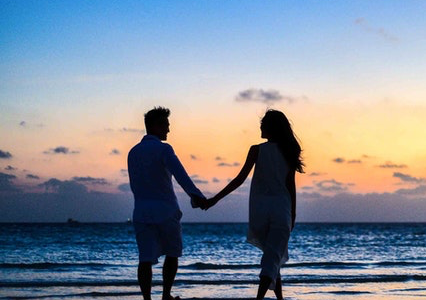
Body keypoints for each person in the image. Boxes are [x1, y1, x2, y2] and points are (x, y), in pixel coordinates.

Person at [205, 109, 304, 300]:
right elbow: (290, 185)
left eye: (263, 124)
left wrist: (214, 200)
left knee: (272, 256)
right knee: (272, 257)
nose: (260, 127)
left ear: (270, 127)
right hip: (281, 210)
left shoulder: (257, 150)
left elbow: (239, 180)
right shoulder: (289, 150)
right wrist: (293, 213)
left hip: (260, 212)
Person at [127, 106, 206, 300]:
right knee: (172, 253)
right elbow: (180, 174)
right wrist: (196, 195)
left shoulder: (133, 152)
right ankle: (166, 295)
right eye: (166, 125)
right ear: (156, 125)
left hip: (142, 211)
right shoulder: (163, 149)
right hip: (165, 210)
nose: (169, 130)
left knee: (145, 259)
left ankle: (147, 299)